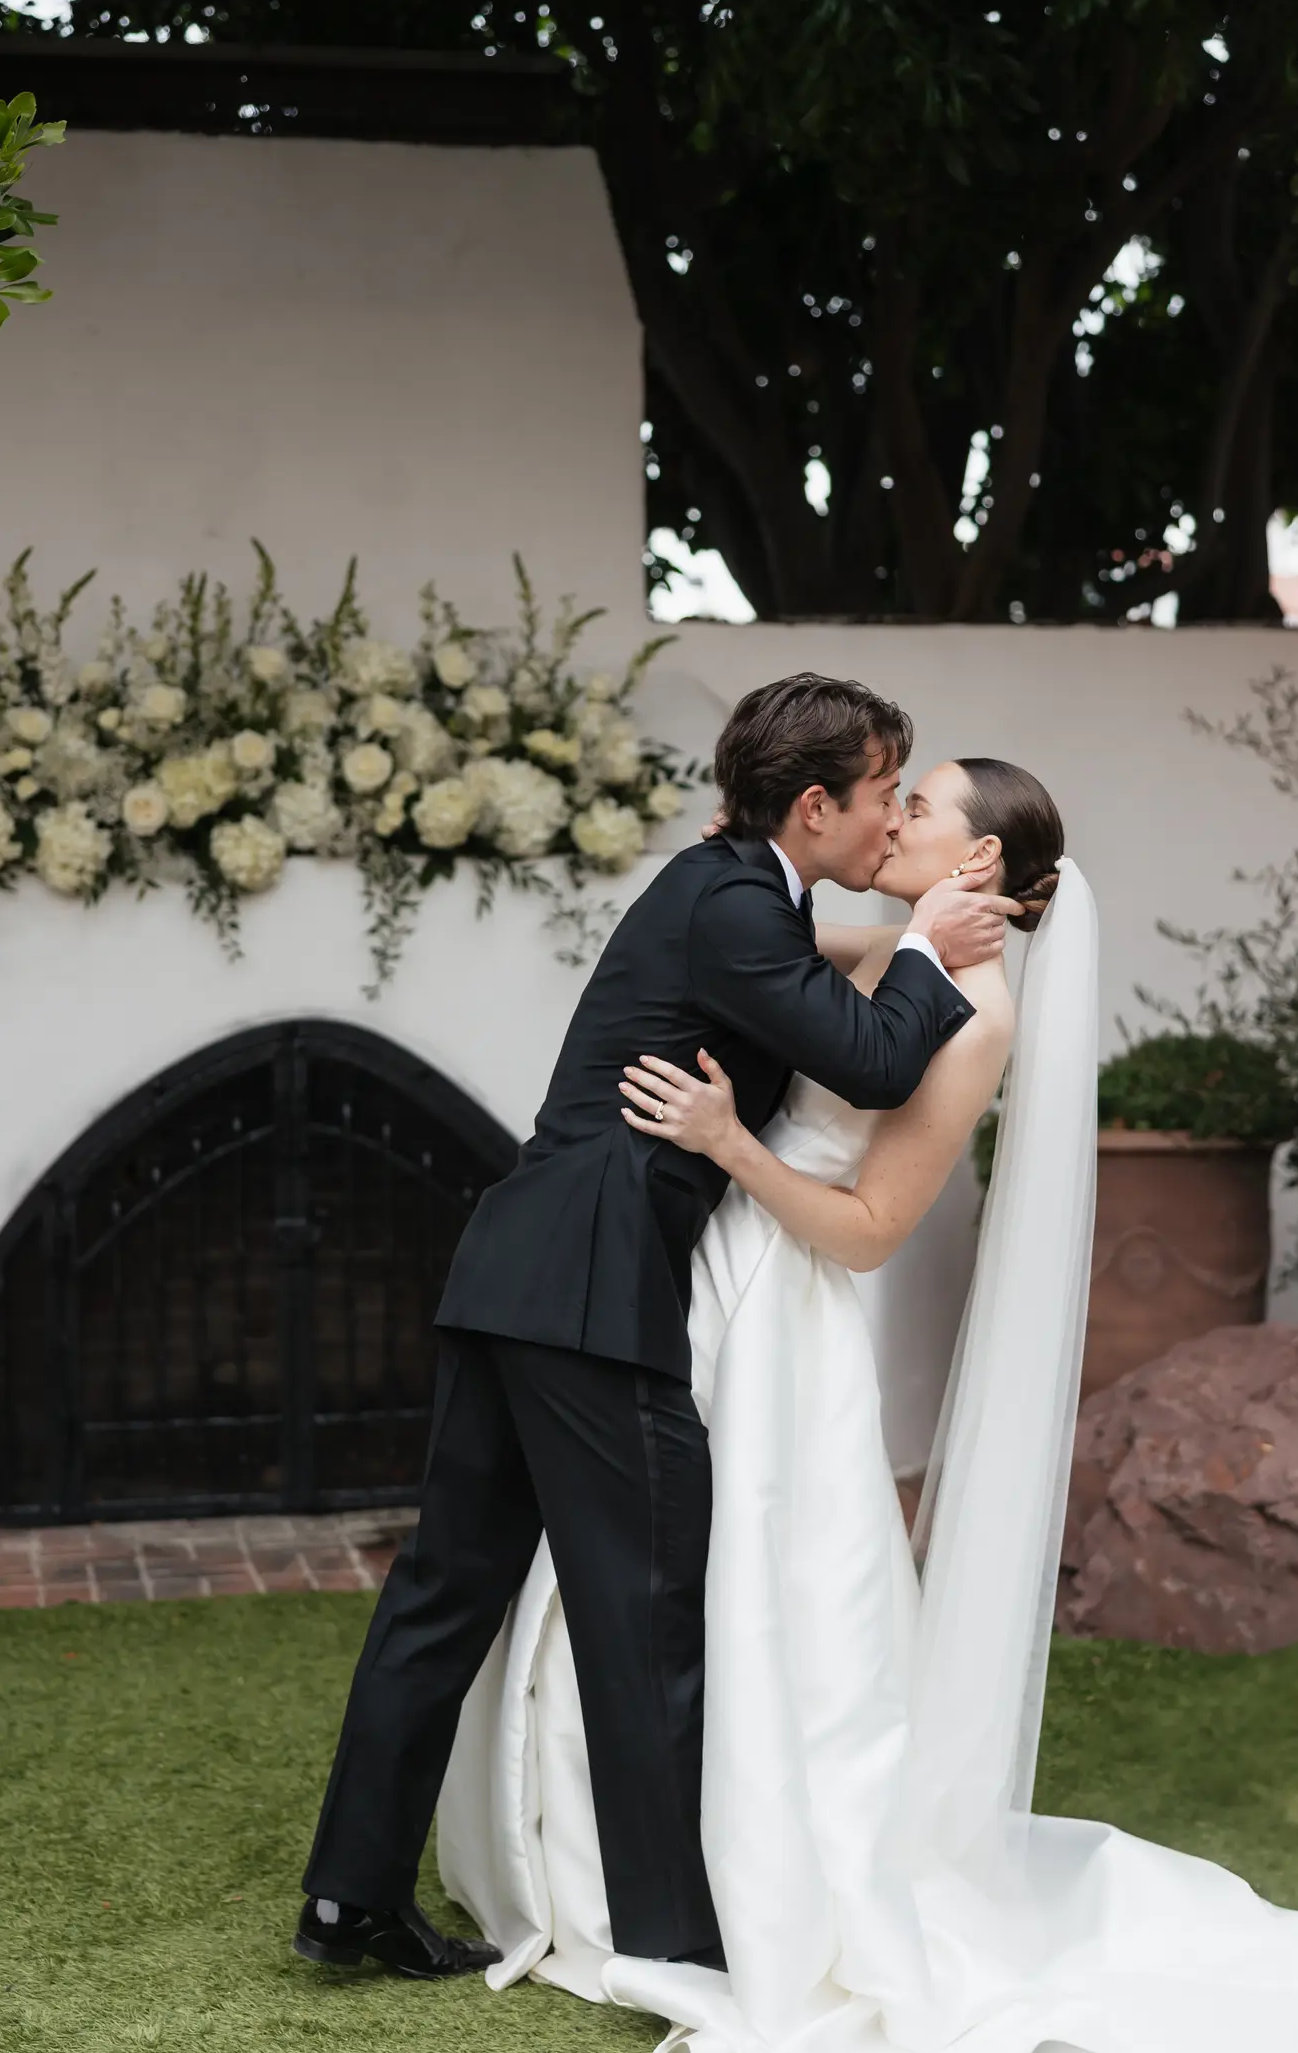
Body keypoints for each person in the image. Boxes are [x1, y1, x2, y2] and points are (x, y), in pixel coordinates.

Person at [436, 755, 1298, 2053]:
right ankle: (612, 1869)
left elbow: (864, 1231)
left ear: (978, 867)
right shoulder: (893, 953)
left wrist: (728, 1142)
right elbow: (784, 940)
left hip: (785, 1318)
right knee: (633, 1580)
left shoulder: (972, 1020)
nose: (889, 816)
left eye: (922, 807)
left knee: (749, 1605)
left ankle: (728, 1887)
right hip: (704, 1297)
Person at [294, 675, 1009, 1980]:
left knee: (444, 1594)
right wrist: (924, 948)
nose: (889, 821)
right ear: (813, 804)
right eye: (879, 797)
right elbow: (872, 1061)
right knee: (650, 1611)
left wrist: (906, 937)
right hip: (588, 1300)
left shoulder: (734, 896)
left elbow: (823, 1005)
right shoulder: (735, 902)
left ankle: (350, 1900)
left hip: (513, 1276)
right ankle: (677, 1944)